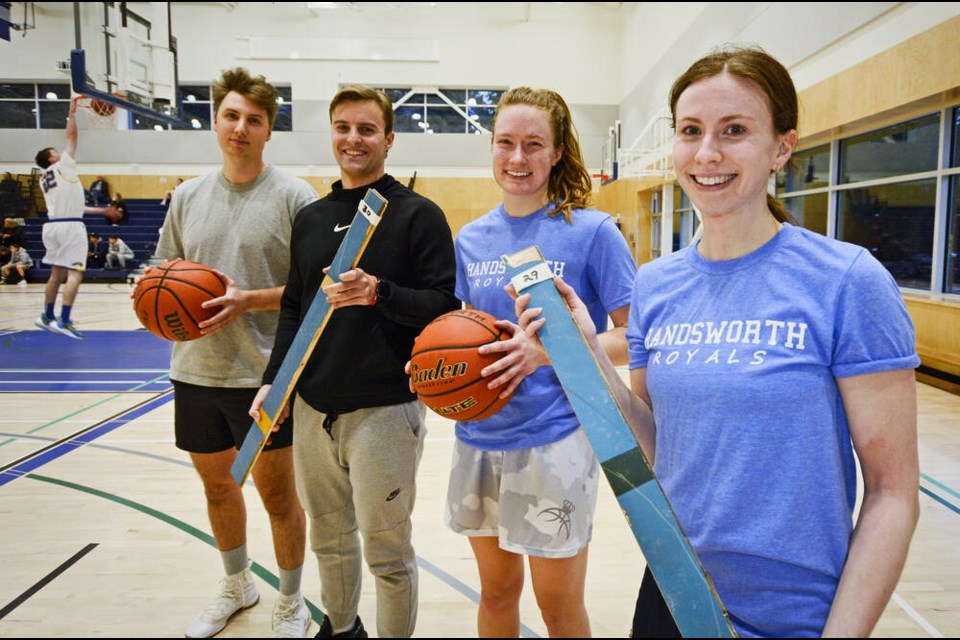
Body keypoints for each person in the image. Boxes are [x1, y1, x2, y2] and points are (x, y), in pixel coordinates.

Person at [515, 46, 920, 639]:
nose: (707, 153)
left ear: (782, 146)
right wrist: (586, 349)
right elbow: (658, 449)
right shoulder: (656, 284)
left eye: (734, 131)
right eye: (691, 131)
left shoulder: (846, 282)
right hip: (675, 592)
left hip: (794, 615)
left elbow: (891, 493)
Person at [250, 85, 459, 639]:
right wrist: (275, 382)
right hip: (314, 407)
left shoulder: (418, 215)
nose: (353, 139)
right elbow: (294, 306)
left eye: (367, 129)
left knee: (387, 552)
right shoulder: (312, 218)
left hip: (385, 410)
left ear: (388, 139)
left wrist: (380, 292)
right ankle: (341, 629)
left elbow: (444, 306)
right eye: (343, 127)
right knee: (329, 539)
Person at [442, 87, 636, 639]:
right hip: (478, 437)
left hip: (557, 440)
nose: (518, 158)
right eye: (506, 143)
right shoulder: (472, 239)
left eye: (533, 144)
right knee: (497, 594)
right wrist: (439, 376)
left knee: (557, 607)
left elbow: (636, 337)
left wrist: (548, 354)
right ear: (492, 148)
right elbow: (466, 337)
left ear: (556, 152)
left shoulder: (593, 232)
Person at [154, 67, 318, 638]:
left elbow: (315, 289)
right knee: (218, 488)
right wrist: (153, 297)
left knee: (278, 496)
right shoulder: (187, 196)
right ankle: (237, 583)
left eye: (254, 119)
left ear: (269, 129)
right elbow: (165, 269)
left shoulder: (296, 197)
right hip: (196, 370)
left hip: (265, 375)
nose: (240, 128)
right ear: (215, 121)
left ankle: (292, 597)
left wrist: (249, 301)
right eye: (231, 116)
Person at [33, 96, 120, 339]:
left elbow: (75, 208)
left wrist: (102, 210)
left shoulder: (45, 179)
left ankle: (46, 316)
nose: (61, 153)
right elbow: (72, 137)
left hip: (53, 226)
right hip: (70, 228)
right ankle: (65, 320)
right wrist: (71, 114)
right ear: (51, 159)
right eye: (55, 152)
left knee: (56, 274)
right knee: (75, 274)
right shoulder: (64, 166)